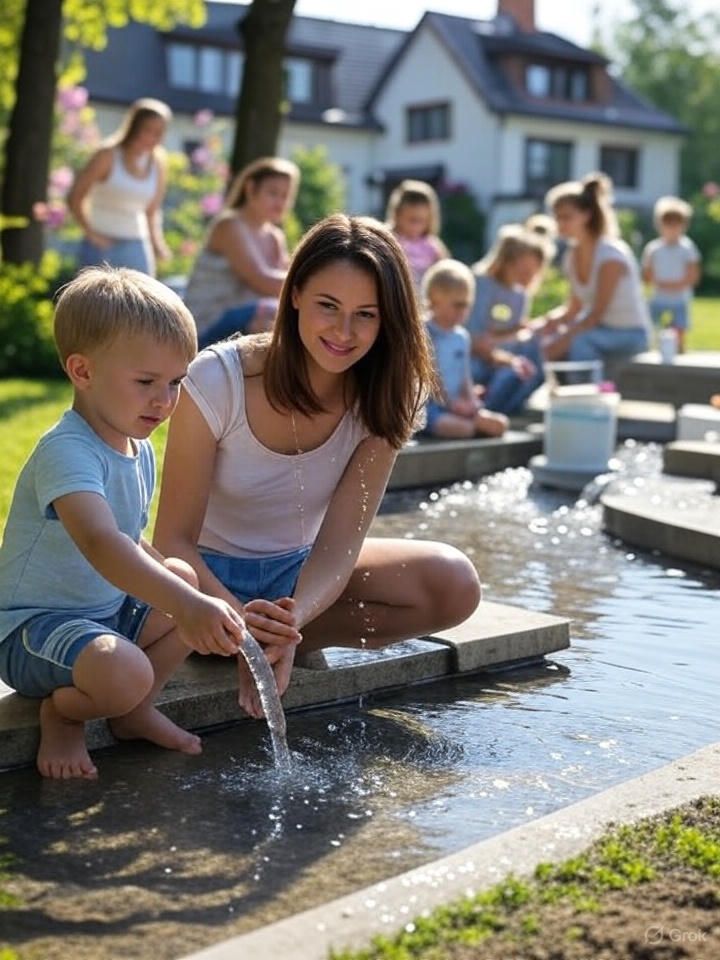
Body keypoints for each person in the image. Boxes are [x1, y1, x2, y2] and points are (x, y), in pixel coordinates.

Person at [154, 214, 482, 718]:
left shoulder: (390, 395)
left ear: (389, 318)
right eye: (328, 306)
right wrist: (236, 620)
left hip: (301, 575)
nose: (344, 332)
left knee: (453, 582)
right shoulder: (218, 379)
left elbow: (338, 546)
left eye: (366, 314)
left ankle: (279, 641)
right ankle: (227, 638)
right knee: (164, 585)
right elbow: (171, 541)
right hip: (204, 580)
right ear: (296, 294)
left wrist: (290, 623)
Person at [0, 267, 297, 780]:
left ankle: (134, 713)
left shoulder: (137, 449)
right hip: (34, 629)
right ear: (82, 371)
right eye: (146, 383)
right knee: (128, 665)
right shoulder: (67, 451)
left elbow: (132, 539)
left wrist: (201, 600)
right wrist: (185, 605)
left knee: (183, 574)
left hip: (103, 615)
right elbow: (101, 542)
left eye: (175, 383)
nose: (165, 401)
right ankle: (64, 715)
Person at [183, 156, 300, 348]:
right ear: (250, 188)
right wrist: (314, 285)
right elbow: (262, 280)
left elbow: (283, 285)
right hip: (205, 325)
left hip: (243, 322)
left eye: (286, 196)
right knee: (270, 313)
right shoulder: (230, 225)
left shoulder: (274, 236)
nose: (280, 202)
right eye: (273, 193)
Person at [542, 173, 650, 373]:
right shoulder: (571, 256)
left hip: (630, 335)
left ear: (587, 215)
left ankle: (585, 399)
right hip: (600, 331)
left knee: (580, 343)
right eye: (557, 217)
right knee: (544, 341)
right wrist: (544, 325)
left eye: (566, 217)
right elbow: (573, 308)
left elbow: (595, 315)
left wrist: (562, 339)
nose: (559, 223)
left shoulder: (610, 255)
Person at [68, 98, 172, 277]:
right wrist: (91, 233)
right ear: (134, 127)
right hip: (100, 244)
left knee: (141, 303)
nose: (154, 138)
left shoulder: (158, 162)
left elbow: (152, 210)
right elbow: (75, 197)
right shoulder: (107, 155)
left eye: (159, 132)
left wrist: (157, 244)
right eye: (149, 130)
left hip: (136, 244)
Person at [466, 226, 551, 414]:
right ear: (506, 261)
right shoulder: (481, 284)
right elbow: (478, 340)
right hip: (476, 358)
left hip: (502, 355)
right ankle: (482, 409)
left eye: (533, 272)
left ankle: (500, 408)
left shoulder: (520, 294)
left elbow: (513, 330)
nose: (528, 277)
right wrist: (509, 348)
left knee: (535, 354)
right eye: (523, 271)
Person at [422, 259, 508, 439]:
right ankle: (465, 426)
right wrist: (452, 405)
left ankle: (469, 423)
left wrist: (471, 403)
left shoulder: (461, 337)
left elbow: (465, 378)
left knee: (500, 425)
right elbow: (430, 379)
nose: (463, 311)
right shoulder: (424, 332)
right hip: (429, 406)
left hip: (457, 406)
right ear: (434, 301)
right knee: (463, 429)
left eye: (467, 305)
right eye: (457, 305)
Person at [642, 196, 701, 354]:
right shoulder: (653, 248)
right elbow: (647, 272)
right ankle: (651, 348)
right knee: (651, 324)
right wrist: (658, 283)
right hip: (658, 296)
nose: (672, 228)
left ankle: (680, 349)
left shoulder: (687, 247)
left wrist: (677, 284)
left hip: (680, 297)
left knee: (680, 327)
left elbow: (693, 273)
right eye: (668, 224)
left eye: (677, 224)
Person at [385, 180, 449, 291]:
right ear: (397, 214)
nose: (416, 226)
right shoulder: (389, 239)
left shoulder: (432, 246)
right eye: (412, 220)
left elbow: (444, 274)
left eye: (422, 220)